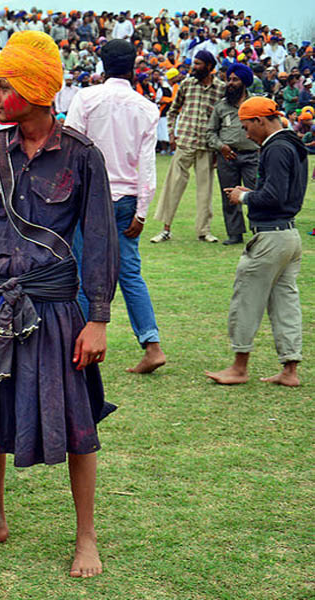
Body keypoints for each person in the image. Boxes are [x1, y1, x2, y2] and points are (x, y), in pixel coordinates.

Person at [0, 31, 118, 579]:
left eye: (7, 85)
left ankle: (86, 536)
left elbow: (100, 239)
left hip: (56, 311)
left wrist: (97, 319)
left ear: (38, 91)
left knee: (77, 424)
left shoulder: (83, 156)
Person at [65, 39, 166, 374]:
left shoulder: (87, 98)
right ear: (134, 66)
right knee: (130, 274)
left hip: (88, 198)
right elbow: (146, 166)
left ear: (102, 64)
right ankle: (151, 344)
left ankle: (75, 345)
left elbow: (71, 150)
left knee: (80, 272)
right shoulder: (147, 107)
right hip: (125, 201)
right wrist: (142, 210)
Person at [205, 97, 306, 388]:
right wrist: (252, 191)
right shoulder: (294, 143)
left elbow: (272, 196)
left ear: (261, 121)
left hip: (270, 237)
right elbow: (282, 194)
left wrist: (244, 197)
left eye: (247, 126)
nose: (245, 134)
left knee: (247, 297)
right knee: (285, 301)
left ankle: (239, 367)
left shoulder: (275, 149)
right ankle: (290, 369)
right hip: (289, 235)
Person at [151, 50, 225, 244]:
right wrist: (172, 134)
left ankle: (204, 231)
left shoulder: (220, 89)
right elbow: (173, 110)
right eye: (194, 63)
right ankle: (165, 229)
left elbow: (223, 120)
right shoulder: (186, 84)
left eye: (199, 64)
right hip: (185, 143)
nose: (194, 67)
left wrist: (218, 147)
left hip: (206, 146)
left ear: (209, 66)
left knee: (205, 190)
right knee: (173, 186)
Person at [207, 63, 257, 246]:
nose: (230, 83)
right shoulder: (221, 106)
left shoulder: (255, 104)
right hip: (227, 157)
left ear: (245, 82)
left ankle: (258, 230)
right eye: (229, 79)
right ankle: (235, 234)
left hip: (252, 155)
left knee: (256, 193)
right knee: (229, 195)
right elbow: (210, 132)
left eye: (235, 79)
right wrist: (221, 147)